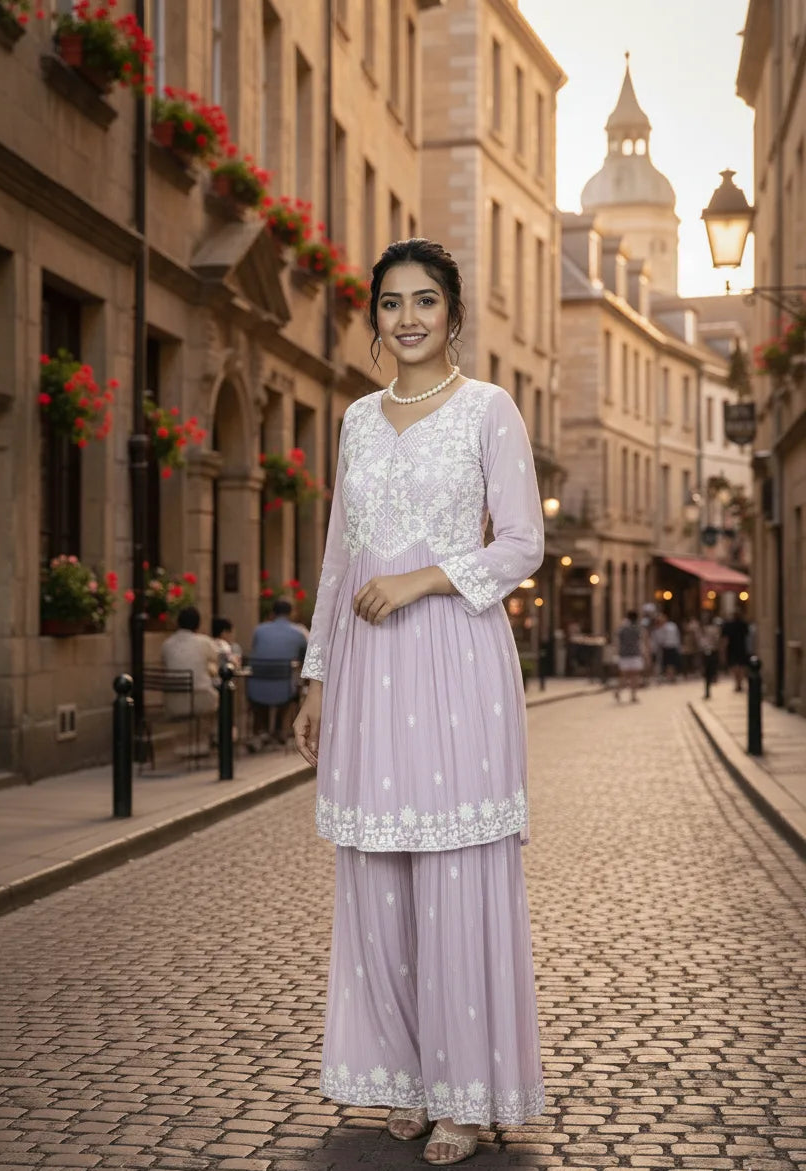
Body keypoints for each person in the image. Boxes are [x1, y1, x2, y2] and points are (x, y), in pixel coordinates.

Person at [292, 239, 545, 1165]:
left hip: (456, 662)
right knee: (379, 880)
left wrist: (426, 580)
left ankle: (469, 1099)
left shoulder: (490, 411)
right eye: (391, 302)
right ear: (374, 317)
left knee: (457, 880)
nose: (406, 318)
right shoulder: (357, 420)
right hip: (367, 673)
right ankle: (403, 1077)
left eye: (425, 301)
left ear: (453, 313)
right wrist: (316, 677)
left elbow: (523, 543)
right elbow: (336, 562)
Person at [247, 598, 307, 747]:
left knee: (265, 686)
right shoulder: (299, 633)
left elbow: (255, 650)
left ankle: (261, 731)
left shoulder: (259, 630)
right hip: (284, 688)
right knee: (291, 685)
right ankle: (281, 730)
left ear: (272, 613)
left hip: (256, 685)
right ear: (291, 613)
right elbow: (306, 658)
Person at [160, 606, 219, 719]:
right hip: (200, 699)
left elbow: (165, 665)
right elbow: (218, 660)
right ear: (198, 624)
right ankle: (219, 732)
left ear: (178, 623)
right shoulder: (204, 642)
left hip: (173, 703)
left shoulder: (167, 644)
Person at [614, 610, 643, 702]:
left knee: (624, 675)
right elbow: (641, 640)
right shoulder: (637, 628)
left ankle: (618, 691)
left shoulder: (622, 628)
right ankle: (633, 695)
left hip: (624, 654)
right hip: (634, 654)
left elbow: (618, 639)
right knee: (635, 675)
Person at [721, 607, 751, 692]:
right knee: (740, 666)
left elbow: (725, 639)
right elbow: (748, 637)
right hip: (741, 647)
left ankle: (738, 683)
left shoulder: (728, 625)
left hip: (732, 648)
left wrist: (723, 650)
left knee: (735, 665)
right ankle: (739, 683)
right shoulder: (744, 624)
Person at [652, 612, 681, 682]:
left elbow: (677, 636)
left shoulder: (672, 626)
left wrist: (678, 645)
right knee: (667, 663)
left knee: (672, 663)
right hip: (665, 647)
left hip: (672, 646)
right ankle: (669, 676)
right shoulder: (659, 628)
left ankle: (671, 676)